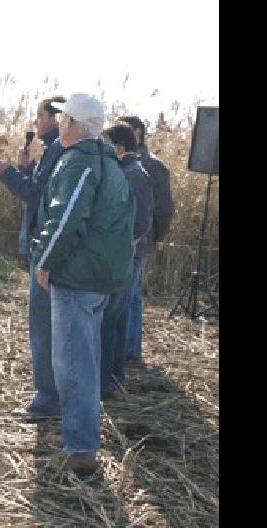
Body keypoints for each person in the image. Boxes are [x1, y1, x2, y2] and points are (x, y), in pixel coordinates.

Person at [31, 93, 134, 475]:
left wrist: (45, 262)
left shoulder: (80, 162)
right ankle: (79, 434)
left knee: (72, 362)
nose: (59, 125)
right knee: (85, 359)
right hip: (101, 279)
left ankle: (82, 448)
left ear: (73, 124)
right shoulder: (109, 162)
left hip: (77, 278)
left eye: (64, 120)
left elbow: (66, 218)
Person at [0, 95, 66, 418]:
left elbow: (37, 196)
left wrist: (7, 174)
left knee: (43, 325)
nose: (36, 122)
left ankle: (48, 396)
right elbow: (40, 187)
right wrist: (28, 169)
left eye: (40, 116)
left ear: (57, 119)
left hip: (44, 248)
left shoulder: (60, 151)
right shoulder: (53, 151)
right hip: (41, 244)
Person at [99, 123, 154, 397]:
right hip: (122, 256)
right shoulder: (127, 170)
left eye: (106, 143)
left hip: (125, 258)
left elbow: (142, 222)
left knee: (111, 319)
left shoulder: (133, 174)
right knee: (115, 318)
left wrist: (120, 246)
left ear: (119, 147)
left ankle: (108, 381)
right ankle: (113, 377)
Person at [118, 115, 175, 361]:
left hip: (141, 239)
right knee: (128, 292)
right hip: (126, 239)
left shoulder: (152, 166)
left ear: (139, 134)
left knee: (130, 294)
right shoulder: (120, 163)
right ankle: (127, 349)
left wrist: (156, 237)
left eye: (130, 131)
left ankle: (130, 350)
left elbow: (164, 209)